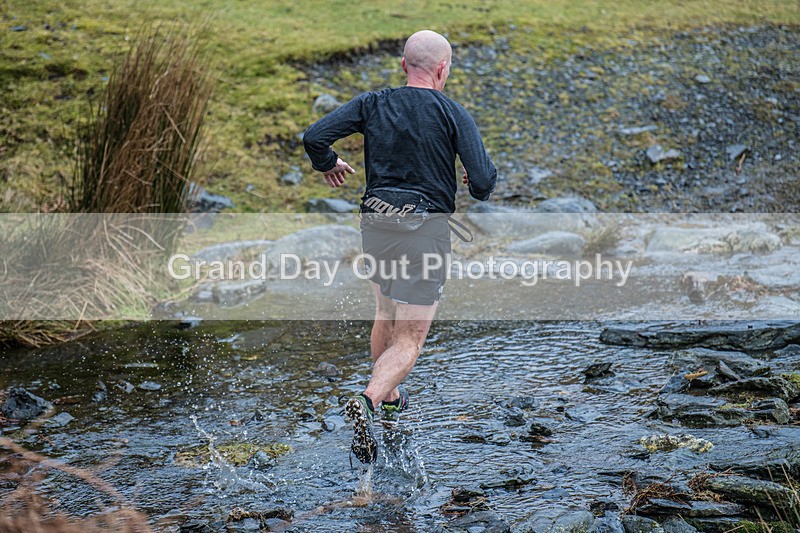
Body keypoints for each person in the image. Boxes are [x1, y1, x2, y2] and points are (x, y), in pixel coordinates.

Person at [303, 29, 496, 463]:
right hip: (424, 230)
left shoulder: (372, 103)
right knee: (409, 339)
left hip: (376, 221)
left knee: (385, 314)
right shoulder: (453, 113)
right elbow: (483, 183)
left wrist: (329, 163)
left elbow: (315, 137)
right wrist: (470, 178)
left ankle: (389, 403)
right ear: (443, 69)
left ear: (403, 64)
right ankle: (370, 399)